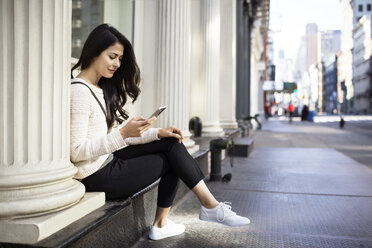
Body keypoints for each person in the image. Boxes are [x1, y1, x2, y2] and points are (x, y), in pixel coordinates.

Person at [70, 24, 250, 241]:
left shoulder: (101, 88)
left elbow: (117, 135)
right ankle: (191, 213)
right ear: (94, 52)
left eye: (119, 59)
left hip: (107, 159)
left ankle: (190, 213)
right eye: (112, 57)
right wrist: (123, 134)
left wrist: (157, 133)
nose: (117, 64)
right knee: (171, 159)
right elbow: (77, 152)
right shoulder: (78, 92)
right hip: (96, 174)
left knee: (171, 142)